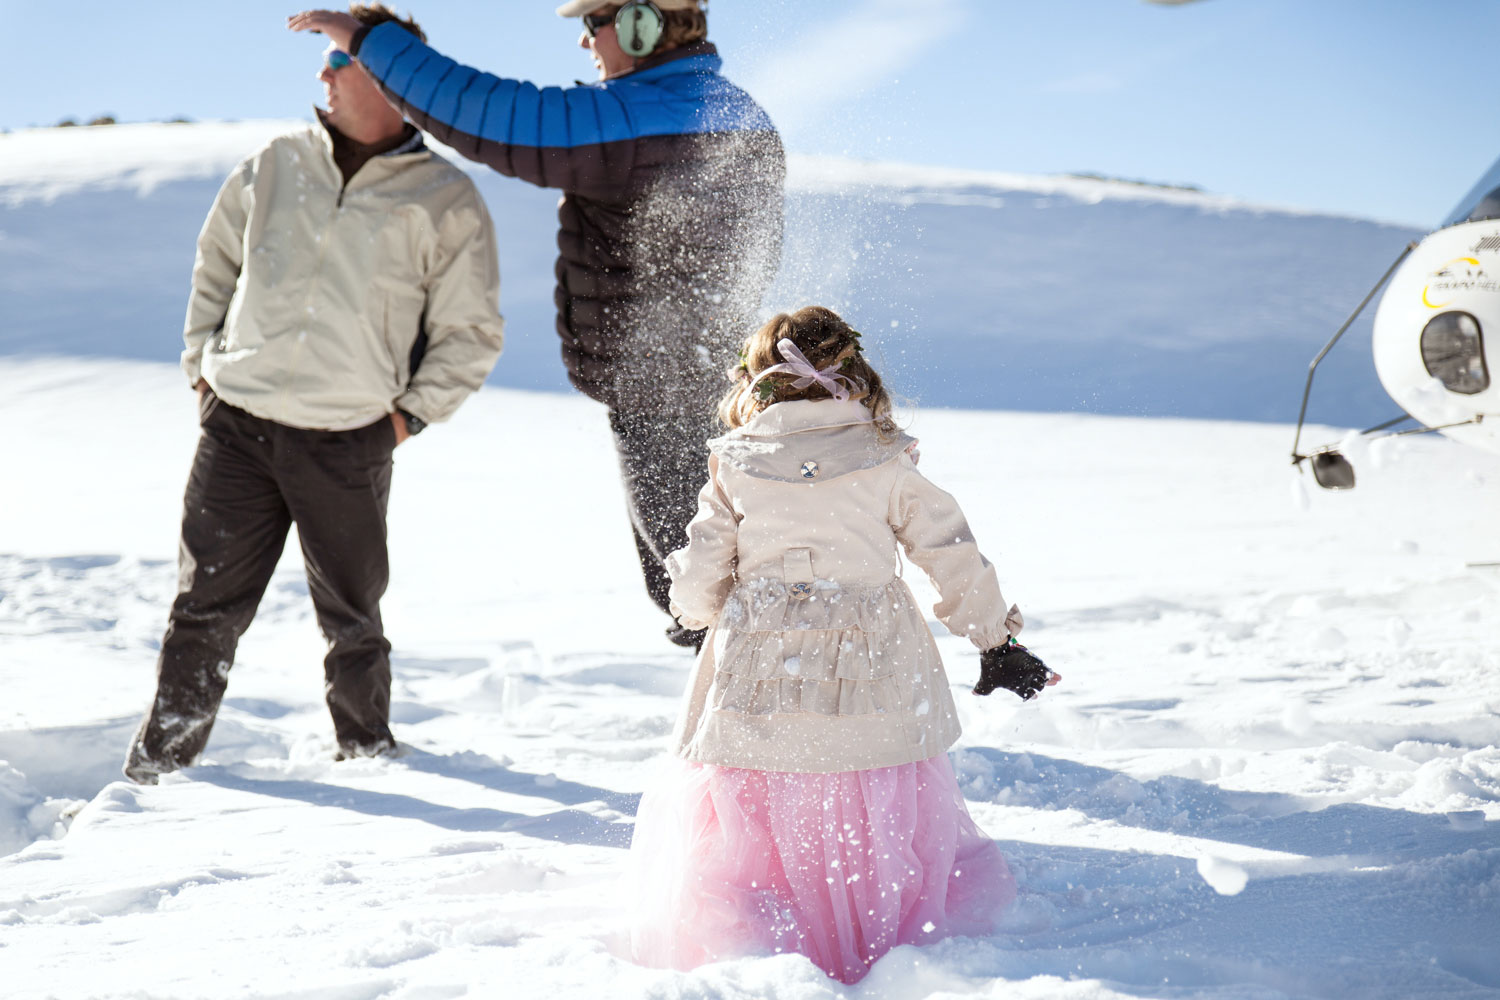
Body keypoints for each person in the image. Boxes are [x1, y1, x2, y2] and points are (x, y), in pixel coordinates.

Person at [289, 1, 785, 651]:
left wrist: (370, 42)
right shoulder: (736, 115)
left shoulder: (638, 120)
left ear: (642, 24)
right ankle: (773, 726)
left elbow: (492, 114)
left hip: (663, 399)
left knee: (703, 594)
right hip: (706, 386)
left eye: (596, 23)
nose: (586, 41)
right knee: (714, 587)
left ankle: (769, 740)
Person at [123, 3, 505, 784]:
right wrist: (204, 364)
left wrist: (403, 423)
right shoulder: (274, 162)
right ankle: (155, 776)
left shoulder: (444, 199)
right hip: (238, 427)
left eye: (338, 62)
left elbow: (471, 332)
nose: (323, 75)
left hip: (347, 439)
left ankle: (369, 762)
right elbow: (216, 266)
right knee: (202, 613)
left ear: (387, 75)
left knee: (353, 622)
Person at [626, 306, 1061, 983]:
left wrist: (692, 607)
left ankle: (764, 935)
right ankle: (882, 919)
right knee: (871, 775)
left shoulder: (738, 462)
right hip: (872, 659)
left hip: (763, 664)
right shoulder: (886, 456)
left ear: (758, 379)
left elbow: (704, 566)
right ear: (852, 370)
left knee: (760, 788)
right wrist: (994, 638)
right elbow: (949, 550)